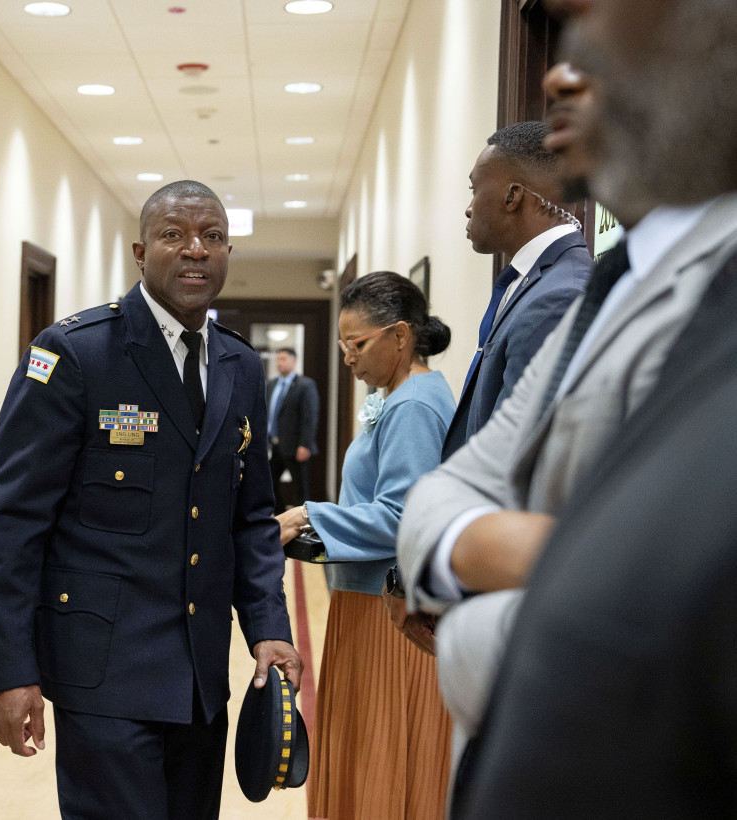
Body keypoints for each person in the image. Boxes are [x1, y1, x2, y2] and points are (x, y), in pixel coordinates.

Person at [396, 0, 737, 804]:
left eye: (596, 40)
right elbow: (443, 495)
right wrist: (536, 555)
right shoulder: (613, 284)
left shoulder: (579, 287)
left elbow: (633, 635)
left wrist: (476, 621)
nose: (557, 75)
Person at [0, 179, 303, 819]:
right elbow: (12, 523)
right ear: (139, 250)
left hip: (201, 677)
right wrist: (11, 670)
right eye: (174, 235)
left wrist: (267, 627)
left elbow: (251, 518)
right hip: (102, 672)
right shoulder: (74, 353)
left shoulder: (238, 366)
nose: (195, 251)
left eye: (212, 236)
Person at [275, 271, 454, 820]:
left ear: (400, 337)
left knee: (381, 758)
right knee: (363, 751)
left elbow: (404, 516)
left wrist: (309, 513)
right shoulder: (399, 395)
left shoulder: (414, 406)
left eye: (357, 345)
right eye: (341, 346)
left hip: (390, 615)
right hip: (367, 603)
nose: (348, 359)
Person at [440, 121, 591, 460]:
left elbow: (519, 453)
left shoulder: (559, 295)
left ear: (513, 196)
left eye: (474, 189)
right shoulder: (532, 281)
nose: (469, 207)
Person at [265, 347, 319, 509]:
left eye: (283, 359)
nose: (279, 363)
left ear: (293, 362)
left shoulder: (305, 385)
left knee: (300, 488)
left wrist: (305, 444)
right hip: (275, 445)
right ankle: (281, 517)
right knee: (268, 483)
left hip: (296, 446)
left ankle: (302, 526)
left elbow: (310, 417)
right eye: (277, 359)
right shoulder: (272, 384)